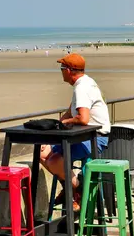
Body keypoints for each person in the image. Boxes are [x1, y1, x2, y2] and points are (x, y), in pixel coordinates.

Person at [40, 54, 110, 211]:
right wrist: (55, 128)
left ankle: (77, 189)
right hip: (84, 136)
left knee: (54, 161)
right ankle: (69, 188)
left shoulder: (81, 88)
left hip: (94, 138)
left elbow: (83, 118)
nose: (61, 71)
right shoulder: (85, 83)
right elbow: (69, 113)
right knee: (42, 153)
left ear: (70, 70)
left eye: (62, 68)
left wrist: (65, 123)